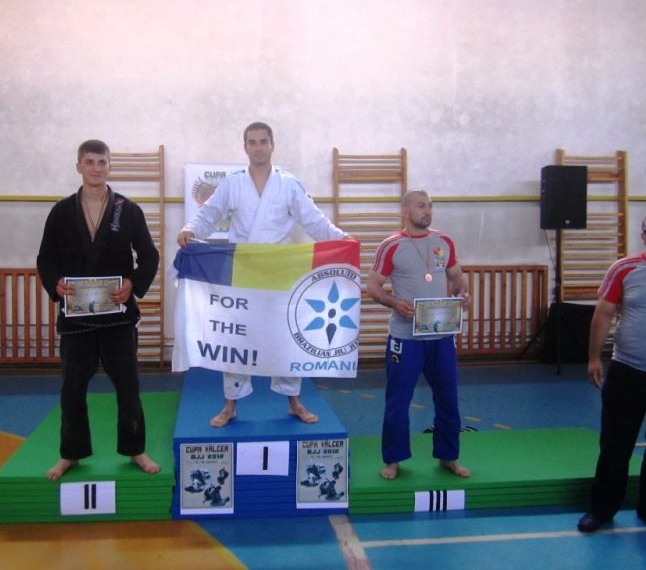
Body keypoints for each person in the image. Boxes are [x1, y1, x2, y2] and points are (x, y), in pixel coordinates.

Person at [177, 121, 349, 428]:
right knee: (235, 337)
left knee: (284, 336)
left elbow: (313, 219)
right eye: (252, 142)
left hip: (279, 270)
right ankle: (230, 404)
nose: (258, 148)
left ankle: (294, 401)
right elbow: (210, 214)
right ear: (245, 147)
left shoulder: (289, 184)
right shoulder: (232, 183)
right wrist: (191, 229)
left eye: (263, 141)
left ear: (272, 145)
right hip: (242, 269)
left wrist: (341, 239)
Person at [37, 139, 161, 480]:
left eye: (101, 162)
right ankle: (71, 453)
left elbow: (149, 256)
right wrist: (56, 283)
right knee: (72, 388)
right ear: (79, 166)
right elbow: (46, 258)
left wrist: (133, 283)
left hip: (117, 315)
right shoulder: (61, 212)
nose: (96, 168)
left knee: (128, 385)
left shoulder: (127, 210)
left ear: (109, 166)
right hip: (77, 318)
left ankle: (136, 449)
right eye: (89, 162)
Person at [577, 211, 646, 535]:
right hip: (628, 373)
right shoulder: (624, 268)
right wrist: (594, 357)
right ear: (643, 236)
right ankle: (601, 510)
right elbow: (603, 313)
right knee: (615, 446)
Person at [367, 189, 471, 480]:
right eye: (421, 206)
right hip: (406, 340)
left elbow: (457, 278)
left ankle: (448, 456)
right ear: (405, 210)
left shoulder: (443, 241)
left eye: (430, 206)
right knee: (398, 403)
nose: (427, 211)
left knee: (448, 399)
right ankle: (393, 460)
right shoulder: (391, 246)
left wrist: (463, 294)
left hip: (441, 338)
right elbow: (372, 287)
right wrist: (394, 303)